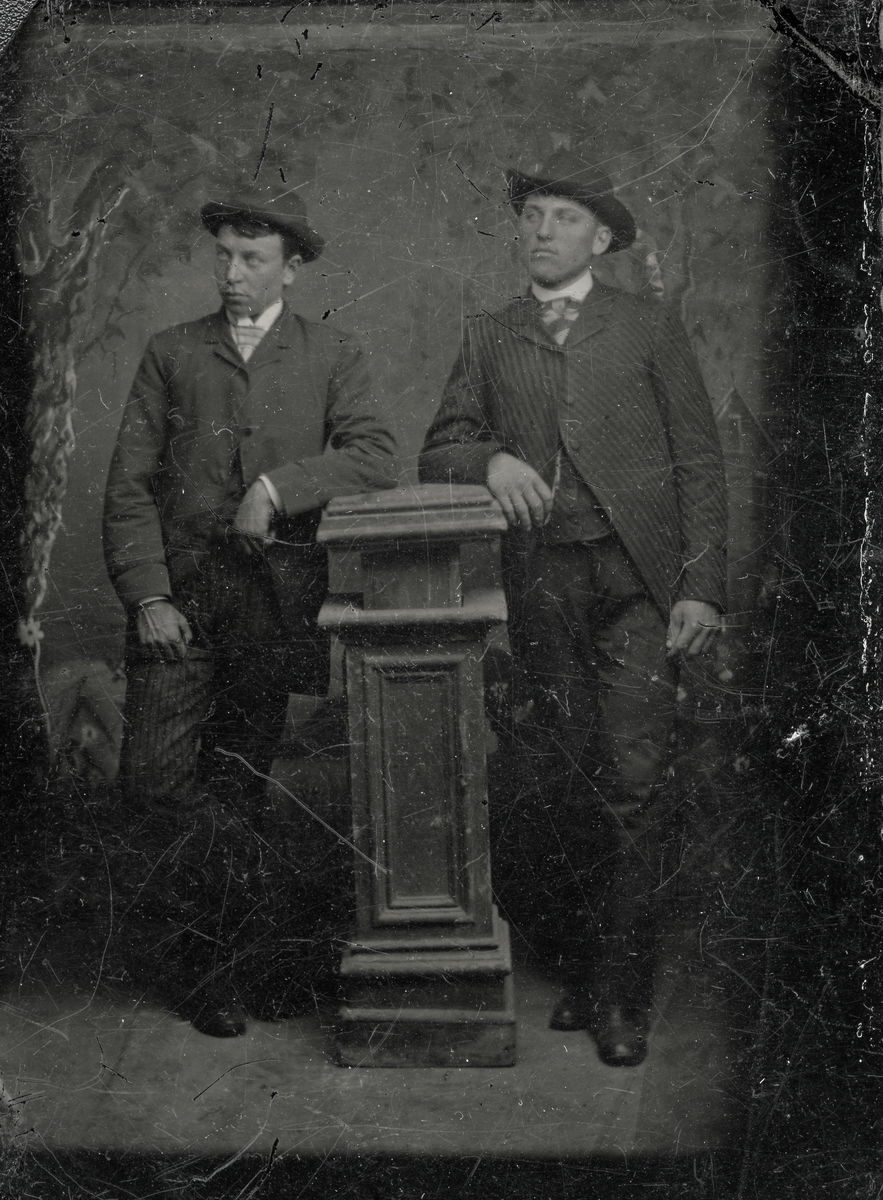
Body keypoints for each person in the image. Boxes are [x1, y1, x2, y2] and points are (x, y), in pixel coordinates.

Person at [419, 149, 727, 1067]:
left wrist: (701, 586)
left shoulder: (647, 326)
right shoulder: (490, 334)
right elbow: (439, 446)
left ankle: (620, 995)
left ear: (600, 240)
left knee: (632, 776)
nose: (542, 231)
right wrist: (490, 460)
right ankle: (589, 970)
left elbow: (698, 460)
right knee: (561, 776)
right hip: (544, 582)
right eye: (533, 215)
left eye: (563, 217)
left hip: (638, 583)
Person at [103, 179, 399, 1037]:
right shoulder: (171, 352)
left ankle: (217, 971)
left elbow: (375, 454)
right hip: (180, 602)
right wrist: (149, 596)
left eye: (253, 259)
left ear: (291, 268)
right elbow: (128, 487)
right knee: (155, 781)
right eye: (225, 256)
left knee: (239, 783)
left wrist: (275, 487)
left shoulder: (330, 352)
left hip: (272, 606)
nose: (232, 273)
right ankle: (258, 938)